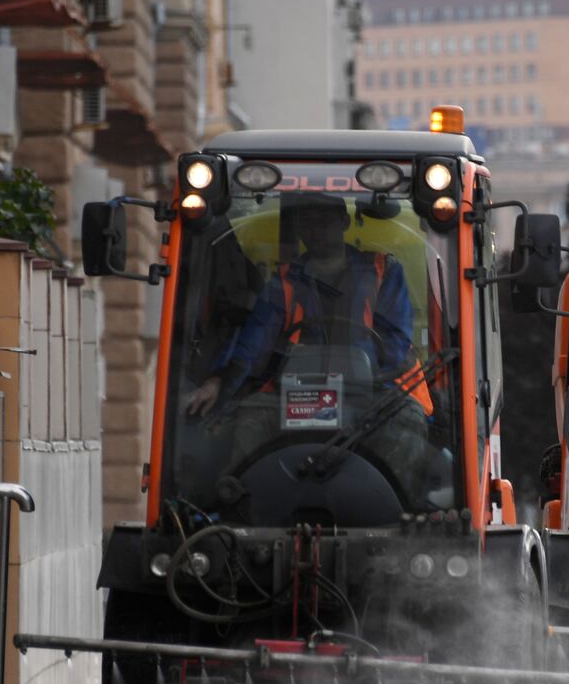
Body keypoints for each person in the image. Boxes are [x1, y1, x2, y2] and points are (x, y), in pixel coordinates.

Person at [183, 192, 435, 497]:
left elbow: (394, 343)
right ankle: (237, 505)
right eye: (308, 220)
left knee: (406, 421)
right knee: (250, 418)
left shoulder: (383, 270)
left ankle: (399, 510)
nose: (316, 227)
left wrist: (349, 373)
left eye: (325, 218)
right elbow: (255, 341)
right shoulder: (284, 281)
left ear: (343, 221)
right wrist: (219, 381)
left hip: (371, 394)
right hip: (295, 394)